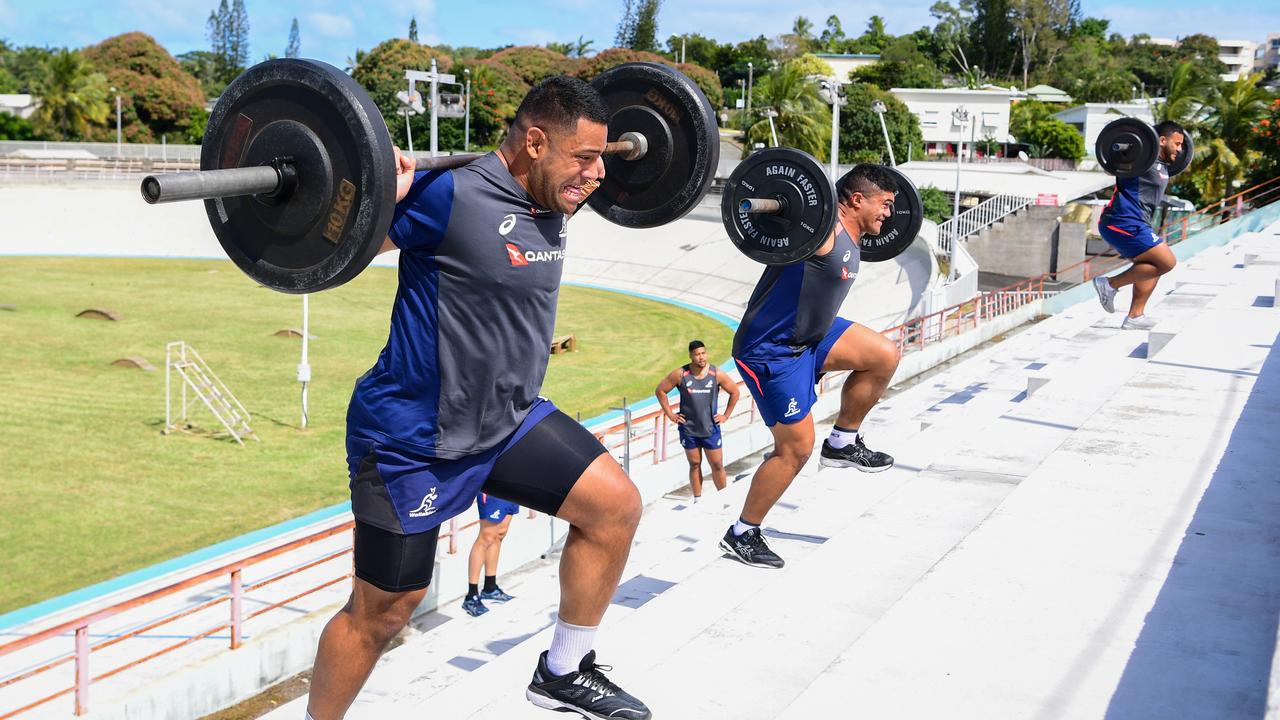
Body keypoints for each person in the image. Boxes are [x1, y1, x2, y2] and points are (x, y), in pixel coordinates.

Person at [305, 77, 651, 720]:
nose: (598, 174)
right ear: (535, 141)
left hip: (508, 420)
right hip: (413, 436)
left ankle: (563, 669)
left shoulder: (555, 196)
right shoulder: (450, 194)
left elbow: (585, 181)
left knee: (614, 508)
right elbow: (327, 253)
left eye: (604, 157)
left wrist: (584, 171)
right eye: (585, 158)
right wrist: (380, 198)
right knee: (382, 613)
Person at [724, 164, 903, 569]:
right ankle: (742, 533)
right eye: (886, 205)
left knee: (883, 355)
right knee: (795, 448)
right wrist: (774, 201)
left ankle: (842, 442)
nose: (891, 214)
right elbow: (794, 210)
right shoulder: (823, 231)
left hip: (812, 335)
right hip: (771, 349)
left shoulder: (855, 235)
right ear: (856, 200)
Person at [1092, 121, 1188, 330]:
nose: (1180, 149)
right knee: (1167, 262)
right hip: (1121, 221)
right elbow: (1115, 161)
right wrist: (1123, 147)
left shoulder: (1163, 166)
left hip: (1138, 223)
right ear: (1162, 141)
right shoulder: (1140, 158)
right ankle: (1108, 284)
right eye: (1177, 144)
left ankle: (1135, 317)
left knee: (1153, 267)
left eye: (1182, 145)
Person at [654, 340, 741, 503]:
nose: (701, 357)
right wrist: (670, 414)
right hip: (689, 429)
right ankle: (697, 499)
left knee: (717, 465)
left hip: (710, 428)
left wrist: (726, 415)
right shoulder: (681, 374)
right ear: (691, 356)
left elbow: (735, 392)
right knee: (694, 464)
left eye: (703, 353)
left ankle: (724, 498)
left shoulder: (716, 374)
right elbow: (660, 391)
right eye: (697, 354)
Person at [461, 493, 520, 618]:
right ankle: (471, 596)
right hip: (494, 485)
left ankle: (490, 587)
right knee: (486, 537)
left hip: (513, 483)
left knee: (500, 534)